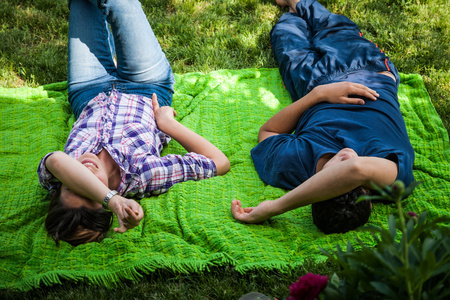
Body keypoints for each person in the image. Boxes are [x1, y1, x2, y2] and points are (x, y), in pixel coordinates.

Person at [37, 0, 230, 246]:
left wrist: (109, 199)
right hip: (147, 85)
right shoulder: (143, 175)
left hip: (88, 90)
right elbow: (219, 162)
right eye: (90, 191)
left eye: (74, 185)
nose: (84, 173)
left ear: (59, 187)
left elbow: (54, 160)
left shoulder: (56, 172)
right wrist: (167, 124)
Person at [231, 0, 415, 233]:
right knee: (329, 24)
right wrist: (274, 208)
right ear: (369, 190)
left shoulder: (296, 166)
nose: (346, 158)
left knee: (284, 32)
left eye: (335, 175)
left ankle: (292, 7)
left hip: (313, 86)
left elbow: (269, 132)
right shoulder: (393, 181)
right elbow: (355, 168)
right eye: (358, 186)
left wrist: (318, 95)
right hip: (366, 69)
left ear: (315, 187)